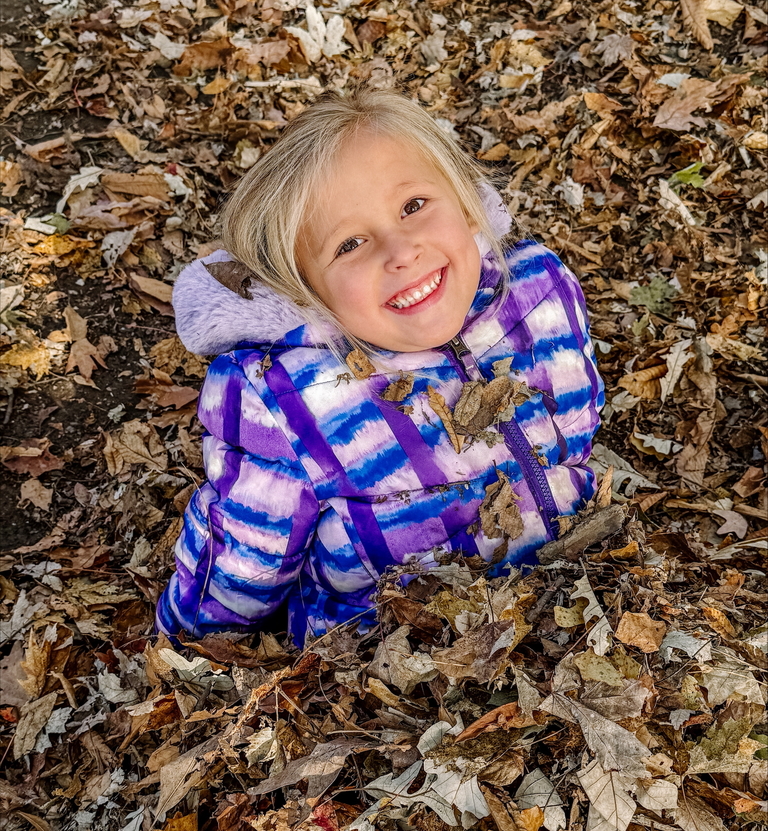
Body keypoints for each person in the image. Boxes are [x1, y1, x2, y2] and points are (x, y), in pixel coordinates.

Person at [156, 85, 604, 648]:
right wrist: (190, 648)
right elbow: (248, 554)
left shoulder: (537, 294)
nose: (401, 250)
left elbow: (578, 424)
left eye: (414, 206)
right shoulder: (290, 399)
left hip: (570, 599)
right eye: (349, 244)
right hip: (390, 663)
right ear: (304, 290)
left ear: (464, 202)